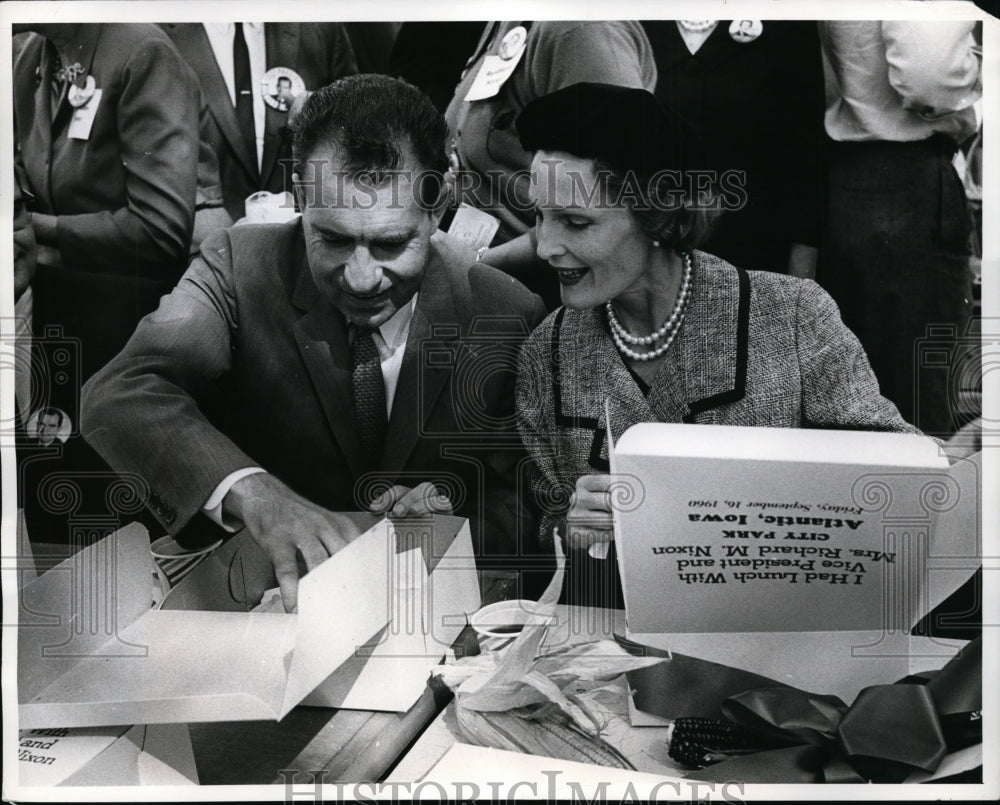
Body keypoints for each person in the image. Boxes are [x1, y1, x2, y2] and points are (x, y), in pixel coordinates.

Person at [82, 75, 547, 612]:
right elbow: (120, 393)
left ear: (439, 204)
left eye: (391, 243)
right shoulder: (239, 267)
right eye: (333, 239)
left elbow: (525, 509)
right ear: (301, 196)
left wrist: (445, 525)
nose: (361, 277)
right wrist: (256, 494)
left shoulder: (504, 313)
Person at [513, 84, 922, 608]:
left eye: (575, 222)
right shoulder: (546, 353)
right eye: (539, 217)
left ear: (658, 216)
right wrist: (571, 526)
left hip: (784, 638)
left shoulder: (793, 317)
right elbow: (543, 522)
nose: (545, 247)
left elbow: (898, 479)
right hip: (613, 641)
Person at [818, 21, 981, 438]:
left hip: (840, 176)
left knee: (848, 409)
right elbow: (931, 77)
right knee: (918, 411)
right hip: (908, 179)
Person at [444, 21, 657, 308]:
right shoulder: (512, 18)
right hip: (490, 279)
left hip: (553, 295)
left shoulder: (581, 29)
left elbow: (617, 209)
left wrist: (472, 263)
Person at [641, 20, 825, 277]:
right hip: (649, 252)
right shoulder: (629, 18)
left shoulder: (786, 21)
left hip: (754, 255)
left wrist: (799, 283)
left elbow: (806, 162)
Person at [160, 22, 358, 221]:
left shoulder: (318, 27)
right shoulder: (161, 33)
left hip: (299, 230)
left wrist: (321, 114)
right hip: (205, 233)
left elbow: (355, 136)